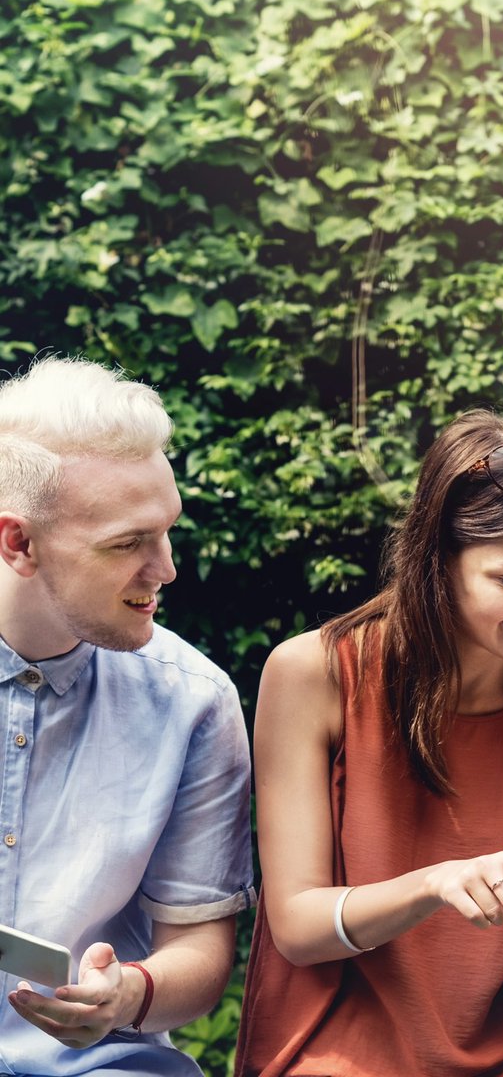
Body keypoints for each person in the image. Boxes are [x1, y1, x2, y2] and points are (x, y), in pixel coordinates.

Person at [235, 410, 503, 1077]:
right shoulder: (315, 675)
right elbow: (299, 928)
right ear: (437, 560)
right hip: (333, 1056)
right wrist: (435, 886)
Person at [0, 355, 256, 1075]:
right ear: (18, 542)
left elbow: (201, 958)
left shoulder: (193, 700)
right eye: (127, 544)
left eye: (166, 530)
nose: (167, 567)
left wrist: (131, 995)